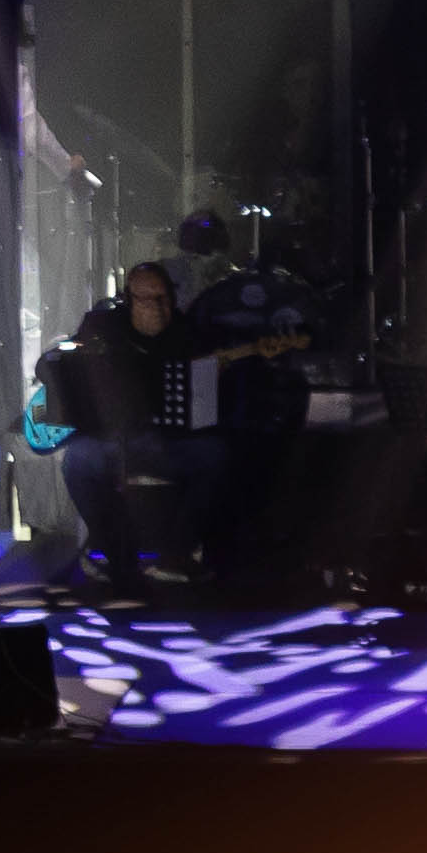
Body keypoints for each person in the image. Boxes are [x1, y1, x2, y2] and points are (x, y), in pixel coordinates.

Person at [178, 211, 318, 581]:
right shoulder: (205, 289)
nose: (201, 256)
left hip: (261, 398)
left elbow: (308, 338)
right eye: (196, 246)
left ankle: (254, 551)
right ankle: (218, 550)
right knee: (219, 463)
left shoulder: (244, 288)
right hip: (217, 392)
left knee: (261, 465)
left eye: (207, 246)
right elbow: (193, 350)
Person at [49, 259, 204, 583]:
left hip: (170, 441)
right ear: (129, 299)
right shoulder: (103, 326)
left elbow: (205, 388)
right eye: (145, 299)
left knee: (217, 454)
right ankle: (117, 554)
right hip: (112, 438)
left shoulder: (188, 333)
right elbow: (65, 356)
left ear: (173, 297)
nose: (155, 307)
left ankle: (178, 553)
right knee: (78, 459)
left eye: (161, 298)